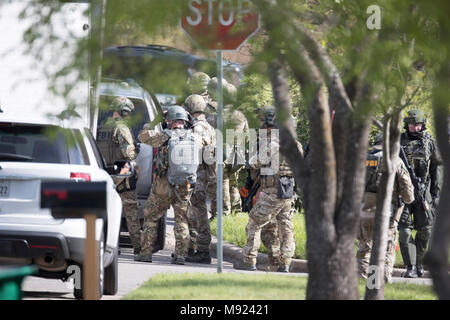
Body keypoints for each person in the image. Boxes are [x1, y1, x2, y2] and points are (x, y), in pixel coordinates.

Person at [233, 107, 296, 273]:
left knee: (254, 222)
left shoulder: (274, 144)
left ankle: (249, 260)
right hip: (288, 191)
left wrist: (251, 155)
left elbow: (255, 163)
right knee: (285, 226)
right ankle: (285, 263)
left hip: (272, 191)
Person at [136, 106, 200, 265]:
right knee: (182, 220)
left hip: (163, 185)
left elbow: (142, 136)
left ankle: (145, 253)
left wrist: (154, 122)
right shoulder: (194, 138)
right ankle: (180, 255)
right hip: (184, 185)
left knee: (151, 218)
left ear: (169, 121)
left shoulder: (164, 136)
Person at [356, 134, 415, 282]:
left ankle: (363, 279)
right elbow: (407, 191)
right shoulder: (395, 160)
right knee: (386, 249)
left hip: (365, 208)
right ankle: (379, 282)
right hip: (387, 210)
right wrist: (408, 199)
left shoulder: (364, 159)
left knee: (365, 247)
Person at [398, 109, 442, 278]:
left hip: (424, 193)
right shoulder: (399, 142)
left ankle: (419, 263)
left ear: (422, 125)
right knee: (405, 232)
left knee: (426, 231)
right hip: (403, 194)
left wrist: (435, 193)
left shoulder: (429, 142)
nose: (415, 128)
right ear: (406, 125)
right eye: (411, 125)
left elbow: (437, 168)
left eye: (417, 125)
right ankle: (410, 266)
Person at [96, 97, 141, 257]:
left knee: (106, 211)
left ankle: (105, 244)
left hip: (105, 172)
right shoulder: (122, 128)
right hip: (122, 170)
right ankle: (138, 247)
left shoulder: (101, 127)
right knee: (131, 210)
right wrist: (136, 151)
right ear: (124, 111)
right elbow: (128, 153)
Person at [183, 94, 216, 264]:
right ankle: (193, 248)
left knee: (198, 213)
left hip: (197, 174)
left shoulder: (198, 128)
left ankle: (202, 250)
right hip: (201, 174)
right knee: (194, 212)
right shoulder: (208, 126)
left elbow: (193, 150)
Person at [222, 82, 248, 216]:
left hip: (224, 153)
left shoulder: (218, 114)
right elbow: (247, 136)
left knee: (223, 181)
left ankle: (225, 212)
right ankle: (237, 211)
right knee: (234, 183)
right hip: (238, 154)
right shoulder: (241, 116)